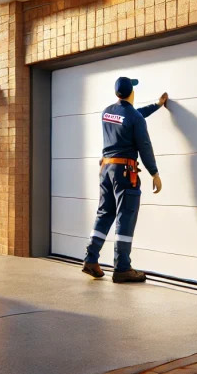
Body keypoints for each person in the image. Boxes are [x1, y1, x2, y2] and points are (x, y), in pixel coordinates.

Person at [83, 76, 168, 283]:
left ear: (116, 93)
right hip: (125, 172)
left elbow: (135, 115)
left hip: (106, 169)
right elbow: (144, 145)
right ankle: (122, 268)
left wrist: (157, 106)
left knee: (105, 212)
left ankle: (91, 258)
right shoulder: (134, 118)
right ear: (132, 92)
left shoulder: (107, 113)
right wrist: (154, 173)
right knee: (125, 216)